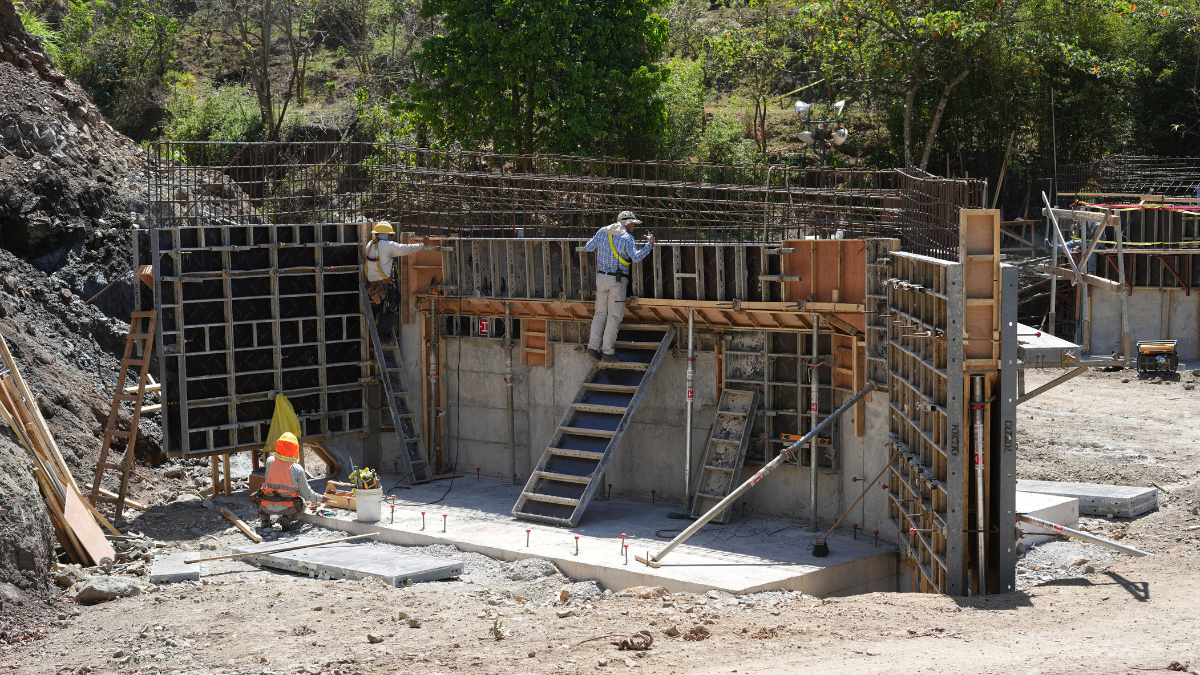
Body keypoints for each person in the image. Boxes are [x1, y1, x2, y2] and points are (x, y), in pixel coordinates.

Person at [583, 211, 654, 362]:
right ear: (627, 223)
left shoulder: (602, 232)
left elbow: (588, 247)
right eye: (633, 224)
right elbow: (636, 257)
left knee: (600, 314)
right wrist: (650, 245)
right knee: (614, 316)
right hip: (617, 280)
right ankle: (608, 352)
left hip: (601, 278)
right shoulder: (627, 238)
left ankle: (593, 350)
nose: (634, 227)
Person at [364, 222, 429, 343]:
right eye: (391, 235)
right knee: (389, 308)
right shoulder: (387, 245)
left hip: (372, 285)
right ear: (386, 235)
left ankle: (375, 327)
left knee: (384, 306)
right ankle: (384, 338)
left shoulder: (370, 244)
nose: (393, 238)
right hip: (383, 285)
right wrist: (422, 244)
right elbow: (406, 249)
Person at [252, 432, 324, 534]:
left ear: (278, 445)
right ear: (295, 448)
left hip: (267, 507)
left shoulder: (269, 461)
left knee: (262, 496)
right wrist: (321, 498)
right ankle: (287, 518)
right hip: (287, 508)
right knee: (303, 504)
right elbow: (306, 494)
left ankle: (264, 520)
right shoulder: (296, 468)